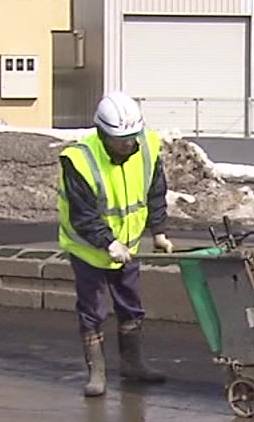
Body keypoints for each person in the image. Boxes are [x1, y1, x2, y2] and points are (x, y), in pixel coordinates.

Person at [58, 92, 174, 397]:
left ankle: (132, 364)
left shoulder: (147, 147)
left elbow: (155, 191)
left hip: (129, 247)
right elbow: (83, 215)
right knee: (93, 311)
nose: (128, 144)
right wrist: (108, 243)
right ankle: (96, 372)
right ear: (102, 133)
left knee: (131, 306)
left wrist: (158, 231)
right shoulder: (80, 160)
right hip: (89, 250)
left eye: (132, 137)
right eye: (120, 139)